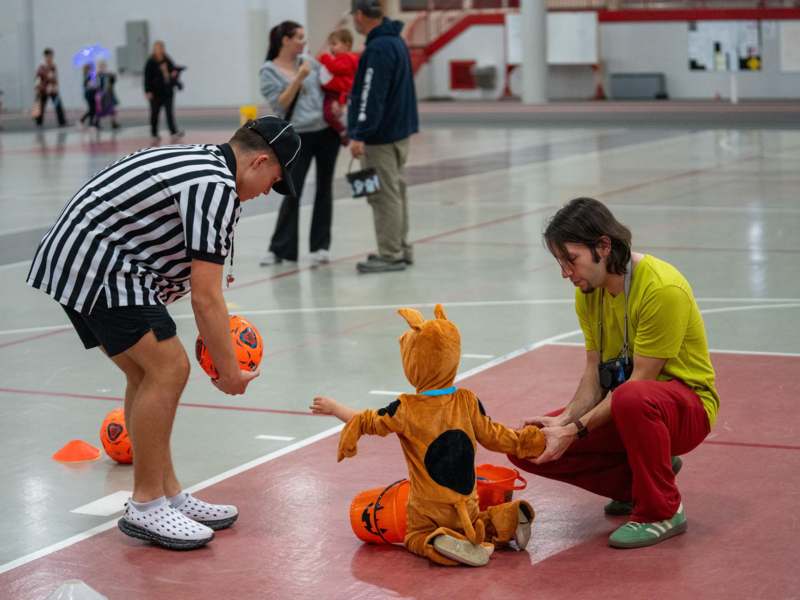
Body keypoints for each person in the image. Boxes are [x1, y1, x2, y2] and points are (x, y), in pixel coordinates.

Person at [26, 115, 301, 550]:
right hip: (101, 265)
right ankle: (148, 505)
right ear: (259, 161)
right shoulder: (214, 187)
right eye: (274, 179)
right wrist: (229, 372)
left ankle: (166, 493)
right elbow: (206, 298)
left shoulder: (207, 166)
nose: (268, 190)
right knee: (169, 368)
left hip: (82, 259)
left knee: (146, 374)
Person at [508, 197, 720, 549]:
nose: (565, 272)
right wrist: (561, 425)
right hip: (628, 406)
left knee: (632, 397)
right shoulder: (588, 292)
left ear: (603, 246)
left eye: (570, 260)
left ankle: (661, 511)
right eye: (560, 262)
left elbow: (640, 382)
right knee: (527, 445)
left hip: (686, 408)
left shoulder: (660, 288)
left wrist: (575, 431)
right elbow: (593, 374)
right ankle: (639, 483)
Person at [259, 20, 341, 267]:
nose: (304, 43)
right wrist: (298, 79)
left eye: (305, 39)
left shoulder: (311, 63)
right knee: (292, 190)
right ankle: (280, 249)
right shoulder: (269, 71)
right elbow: (280, 104)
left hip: (327, 134)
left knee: (325, 188)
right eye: (299, 38)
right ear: (285, 40)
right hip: (297, 137)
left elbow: (331, 86)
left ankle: (321, 246)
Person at [349, 0, 419, 274]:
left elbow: (370, 95)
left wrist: (359, 133)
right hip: (399, 133)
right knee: (396, 192)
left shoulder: (377, 48)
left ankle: (389, 254)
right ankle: (400, 247)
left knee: (383, 196)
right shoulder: (396, 41)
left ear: (360, 15)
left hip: (380, 137)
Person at [317, 28, 359, 145]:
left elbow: (335, 68)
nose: (331, 48)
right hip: (337, 91)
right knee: (329, 113)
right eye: (331, 44)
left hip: (341, 93)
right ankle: (343, 131)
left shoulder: (349, 58)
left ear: (347, 44)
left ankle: (343, 131)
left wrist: (325, 58)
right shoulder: (343, 58)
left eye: (334, 44)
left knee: (329, 114)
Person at [144, 41, 184, 143]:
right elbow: (147, 77)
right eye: (158, 48)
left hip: (167, 91)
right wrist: (147, 91)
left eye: (162, 47)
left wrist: (174, 73)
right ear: (154, 49)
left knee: (169, 113)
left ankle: (173, 132)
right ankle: (154, 133)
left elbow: (172, 71)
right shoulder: (150, 62)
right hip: (155, 92)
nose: (160, 49)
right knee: (155, 113)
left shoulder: (167, 59)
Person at [34, 48, 67, 127]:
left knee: (58, 105)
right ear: (45, 56)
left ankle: (62, 122)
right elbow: (38, 78)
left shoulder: (53, 65)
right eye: (49, 56)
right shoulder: (41, 66)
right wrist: (38, 88)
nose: (51, 58)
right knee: (41, 106)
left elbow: (55, 77)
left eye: (52, 56)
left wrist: (56, 86)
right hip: (43, 90)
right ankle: (39, 122)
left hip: (52, 89)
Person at [94, 60, 120, 130]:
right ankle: (97, 123)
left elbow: (113, 82)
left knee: (112, 109)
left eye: (103, 66)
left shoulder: (108, 74)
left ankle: (114, 123)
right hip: (101, 95)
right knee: (100, 109)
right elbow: (97, 85)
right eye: (101, 66)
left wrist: (113, 76)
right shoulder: (97, 75)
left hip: (109, 94)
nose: (102, 68)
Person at [79, 62, 97, 128]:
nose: (92, 69)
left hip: (92, 93)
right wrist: (93, 84)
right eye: (91, 68)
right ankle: (82, 120)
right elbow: (90, 85)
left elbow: (94, 84)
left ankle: (91, 122)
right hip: (89, 94)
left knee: (93, 109)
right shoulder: (88, 75)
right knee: (92, 109)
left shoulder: (91, 75)